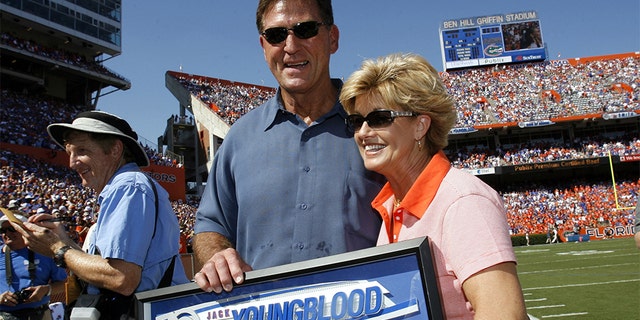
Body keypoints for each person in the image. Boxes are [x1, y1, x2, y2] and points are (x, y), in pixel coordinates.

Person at [193, 0, 384, 294]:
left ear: (332, 38)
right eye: (276, 35)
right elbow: (210, 225)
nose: (290, 46)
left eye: (305, 29)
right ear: (263, 45)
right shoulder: (239, 138)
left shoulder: (377, 127)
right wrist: (217, 254)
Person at [339, 53, 528, 319]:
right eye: (357, 121)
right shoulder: (391, 205)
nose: (363, 132)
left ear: (421, 125)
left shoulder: (464, 201)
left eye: (380, 118)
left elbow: (504, 314)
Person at [13, 111, 189, 317]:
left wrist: (56, 248)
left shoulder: (127, 186)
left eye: (82, 150)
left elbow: (121, 278)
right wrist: (63, 240)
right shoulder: (126, 186)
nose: (72, 162)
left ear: (115, 150)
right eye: (70, 152)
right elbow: (107, 268)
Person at [0, 209, 67, 320]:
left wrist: (46, 290)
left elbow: (64, 283)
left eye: (12, 229)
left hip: (39, 314)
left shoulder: (46, 252)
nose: (6, 234)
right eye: (3, 230)